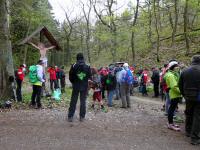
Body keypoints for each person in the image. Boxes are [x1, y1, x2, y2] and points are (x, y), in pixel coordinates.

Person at [179, 55, 200, 145]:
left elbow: (180, 84)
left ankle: (188, 131)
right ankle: (194, 138)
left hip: (188, 96)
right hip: (198, 96)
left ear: (192, 61)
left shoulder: (184, 71)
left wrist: (184, 94)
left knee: (189, 113)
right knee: (197, 116)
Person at [68, 53, 91, 122]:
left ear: (77, 58)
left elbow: (70, 76)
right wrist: (85, 81)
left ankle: (70, 116)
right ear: (83, 58)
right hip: (84, 86)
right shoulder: (87, 66)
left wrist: (73, 82)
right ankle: (82, 117)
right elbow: (89, 76)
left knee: (73, 101)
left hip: (76, 86)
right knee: (83, 101)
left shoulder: (74, 65)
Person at [164, 61, 182, 131]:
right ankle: (170, 124)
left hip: (174, 94)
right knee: (171, 109)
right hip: (174, 94)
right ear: (172, 67)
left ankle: (171, 123)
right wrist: (182, 92)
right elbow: (174, 86)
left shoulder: (172, 74)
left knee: (172, 108)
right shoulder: (170, 75)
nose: (178, 67)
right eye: (176, 66)